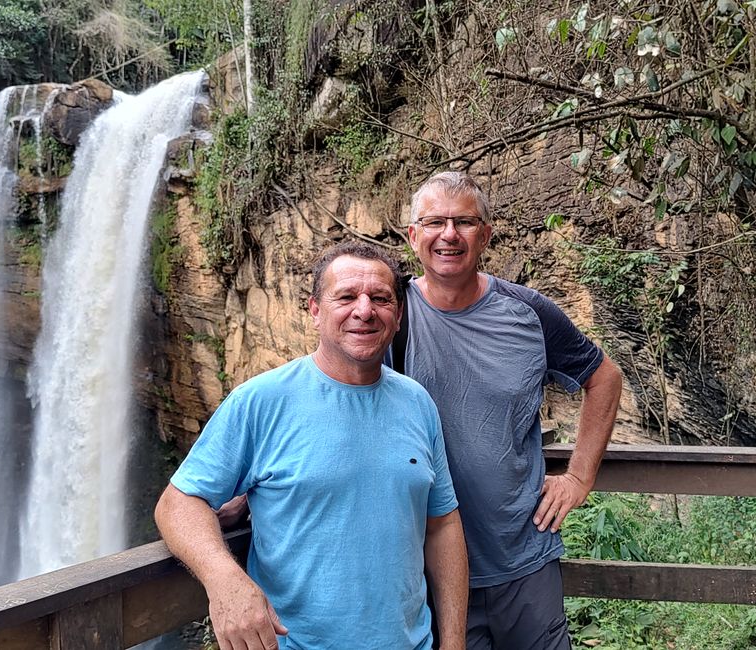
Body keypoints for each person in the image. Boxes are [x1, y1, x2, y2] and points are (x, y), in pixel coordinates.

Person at [155, 241, 469, 650]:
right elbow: (177, 504)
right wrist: (225, 579)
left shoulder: (417, 403)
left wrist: (454, 642)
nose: (364, 310)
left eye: (380, 298)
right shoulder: (261, 402)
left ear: (398, 314)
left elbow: (442, 524)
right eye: (345, 297)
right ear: (315, 310)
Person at [398, 171, 624, 649]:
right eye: (434, 222)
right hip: (423, 563)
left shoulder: (528, 312)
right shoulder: (387, 316)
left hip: (523, 556)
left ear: (486, 234)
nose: (449, 235)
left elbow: (603, 378)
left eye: (464, 221)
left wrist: (579, 477)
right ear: (413, 235)